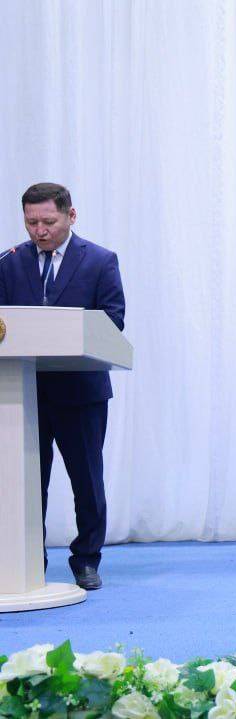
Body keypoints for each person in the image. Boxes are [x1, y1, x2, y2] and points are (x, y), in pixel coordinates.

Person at [0, 182, 125, 591]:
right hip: (23, 394)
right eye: (31, 222)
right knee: (25, 483)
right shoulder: (8, 262)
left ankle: (86, 558)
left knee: (86, 480)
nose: (40, 230)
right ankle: (27, 559)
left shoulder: (100, 261)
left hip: (80, 393)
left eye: (48, 221)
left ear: (70, 216)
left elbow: (113, 320)